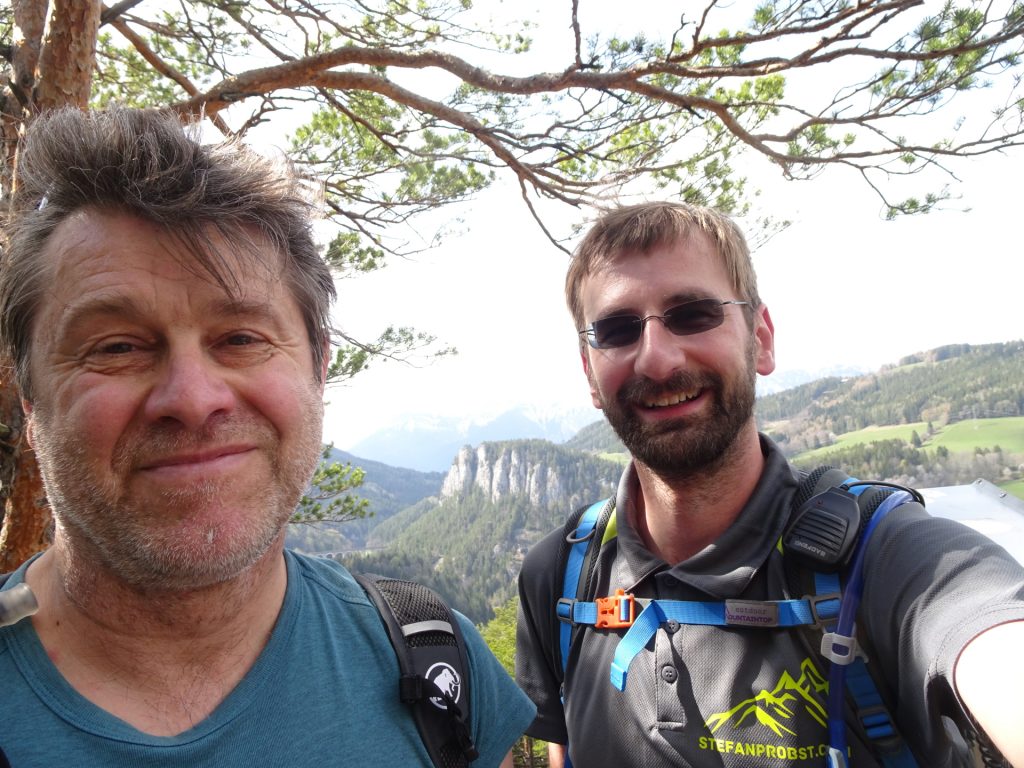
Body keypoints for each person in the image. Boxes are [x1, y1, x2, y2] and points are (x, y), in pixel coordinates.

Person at [0, 106, 534, 767]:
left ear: (318, 368)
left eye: (241, 338)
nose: (193, 400)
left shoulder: (438, 666)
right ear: (30, 401)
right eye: (117, 346)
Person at [514, 201, 1024, 767]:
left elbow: (996, 643)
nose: (656, 359)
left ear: (762, 337)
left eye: (693, 313)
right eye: (616, 329)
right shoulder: (560, 578)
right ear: (589, 371)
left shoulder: (891, 560)